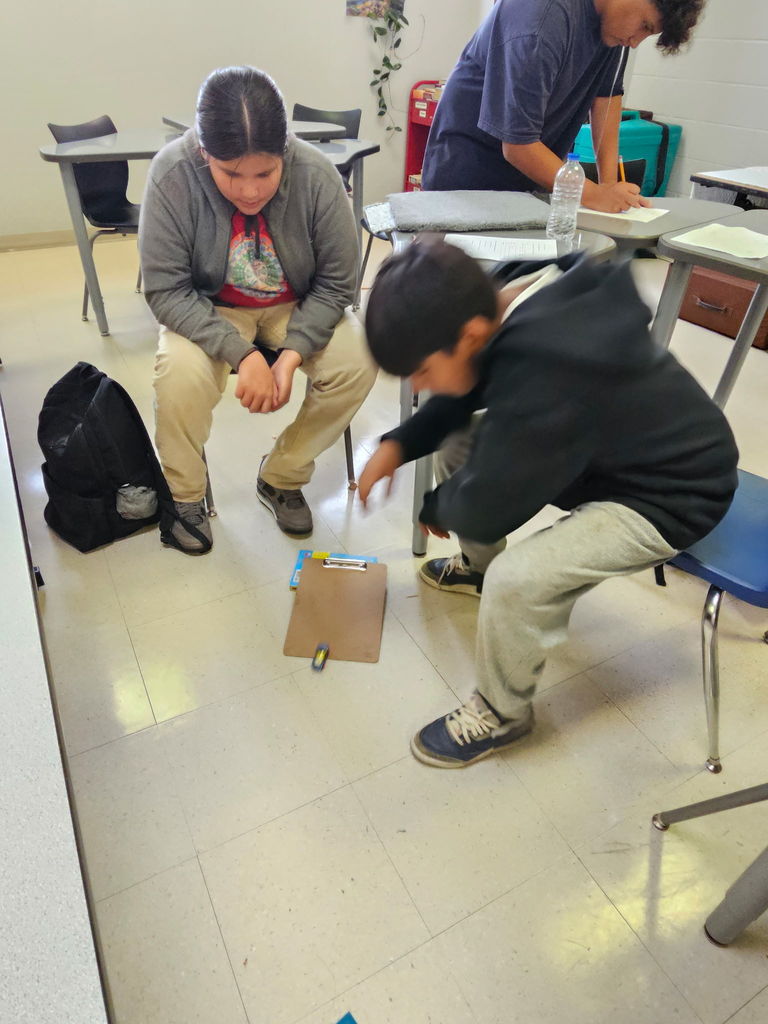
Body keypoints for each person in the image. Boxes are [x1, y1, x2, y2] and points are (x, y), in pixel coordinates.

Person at [358, 239, 738, 768]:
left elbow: (491, 504)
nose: (419, 386)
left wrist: (436, 510)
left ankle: (501, 712)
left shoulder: (554, 362)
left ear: (467, 335)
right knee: (462, 444)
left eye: (420, 371)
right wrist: (397, 444)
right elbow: (469, 387)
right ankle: (477, 570)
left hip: (673, 493)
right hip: (610, 449)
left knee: (521, 578)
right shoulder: (507, 295)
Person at [139, 66, 376, 554]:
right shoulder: (171, 174)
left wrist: (290, 355)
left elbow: (337, 283)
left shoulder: (316, 175)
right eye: (231, 174)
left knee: (358, 361)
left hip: (297, 304)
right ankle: (185, 496)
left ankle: (281, 475)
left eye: (265, 173)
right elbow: (165, 290)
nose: (250, 191)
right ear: (204, 154)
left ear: (285, 151)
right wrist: (242, 354)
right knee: (179, 375)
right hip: (210, 308)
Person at [421, 0, 705, 212]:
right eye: (644, 25)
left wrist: (609, 186)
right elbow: (517, 145)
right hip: (468, 181)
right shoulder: (541, 19)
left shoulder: (613, 28)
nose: (635, 42)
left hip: (528, 184)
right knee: (461, 288)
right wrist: (594, 195)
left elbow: (606, 99)